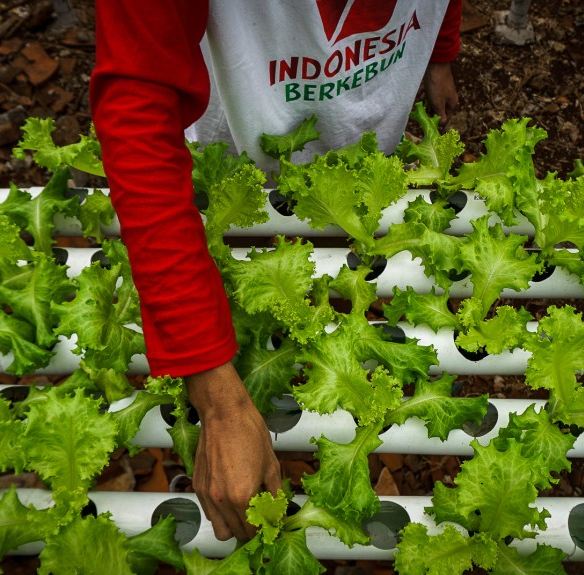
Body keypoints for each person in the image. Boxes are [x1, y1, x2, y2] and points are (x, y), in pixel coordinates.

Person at [90, 0, 462, 543]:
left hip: (370, 113)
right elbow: (138, 100)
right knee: (249, 240)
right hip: (239, 138)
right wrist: (217, 397)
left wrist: (441, 55)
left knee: (336, 227)